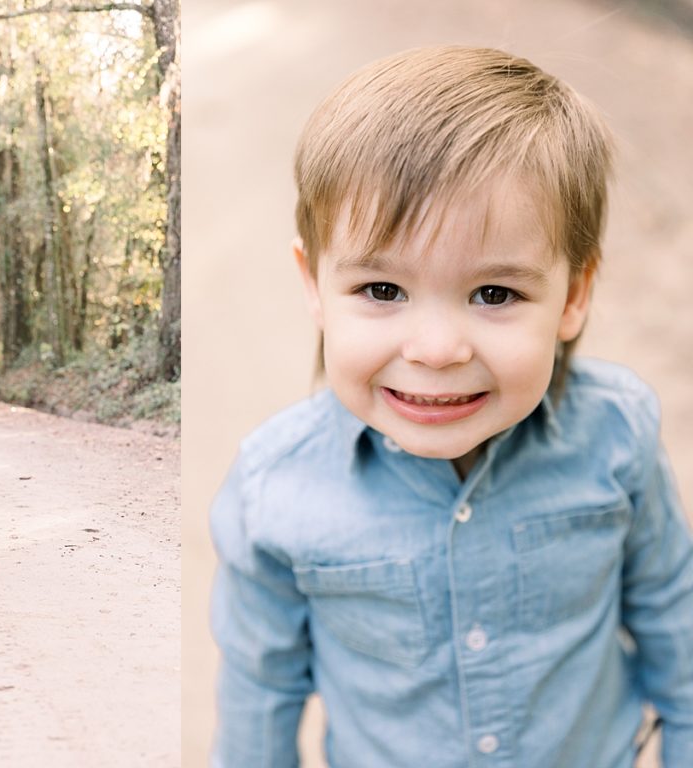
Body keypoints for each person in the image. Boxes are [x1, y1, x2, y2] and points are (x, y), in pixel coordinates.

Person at [210, 45, 693, 767]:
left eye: (495, 294)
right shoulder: (275, 488)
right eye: (382, 291)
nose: (436, 349)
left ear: (576, 293)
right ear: (314, 284)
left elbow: (675, 631)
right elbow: (259, 698)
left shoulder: (615, 438)